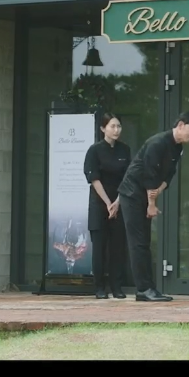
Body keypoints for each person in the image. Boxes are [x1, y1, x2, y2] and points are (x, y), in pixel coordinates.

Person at [117, 111, 189, 302]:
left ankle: (148, 288)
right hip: (132, 194)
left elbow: (168, 175)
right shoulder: (158, 143)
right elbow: (149, 175)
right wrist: (151, 204)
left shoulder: (177, 147)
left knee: (144, 242)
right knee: (138, 243)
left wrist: (157, 191)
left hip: (147, 193)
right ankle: (143, 289)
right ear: (181, 125)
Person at [83, 112, 131, 300]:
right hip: (99, 203)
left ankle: (116, 286)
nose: (116, 130)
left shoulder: (124, 150)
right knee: (99, 248)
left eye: (119, 126)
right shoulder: (94, 150)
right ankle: (99, 287)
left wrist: (117, 202)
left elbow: (127, 178)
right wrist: (108, 203)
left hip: (119, 202)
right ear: (103, 128)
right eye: (112, 126)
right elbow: (94, 178)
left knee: (118, 247)